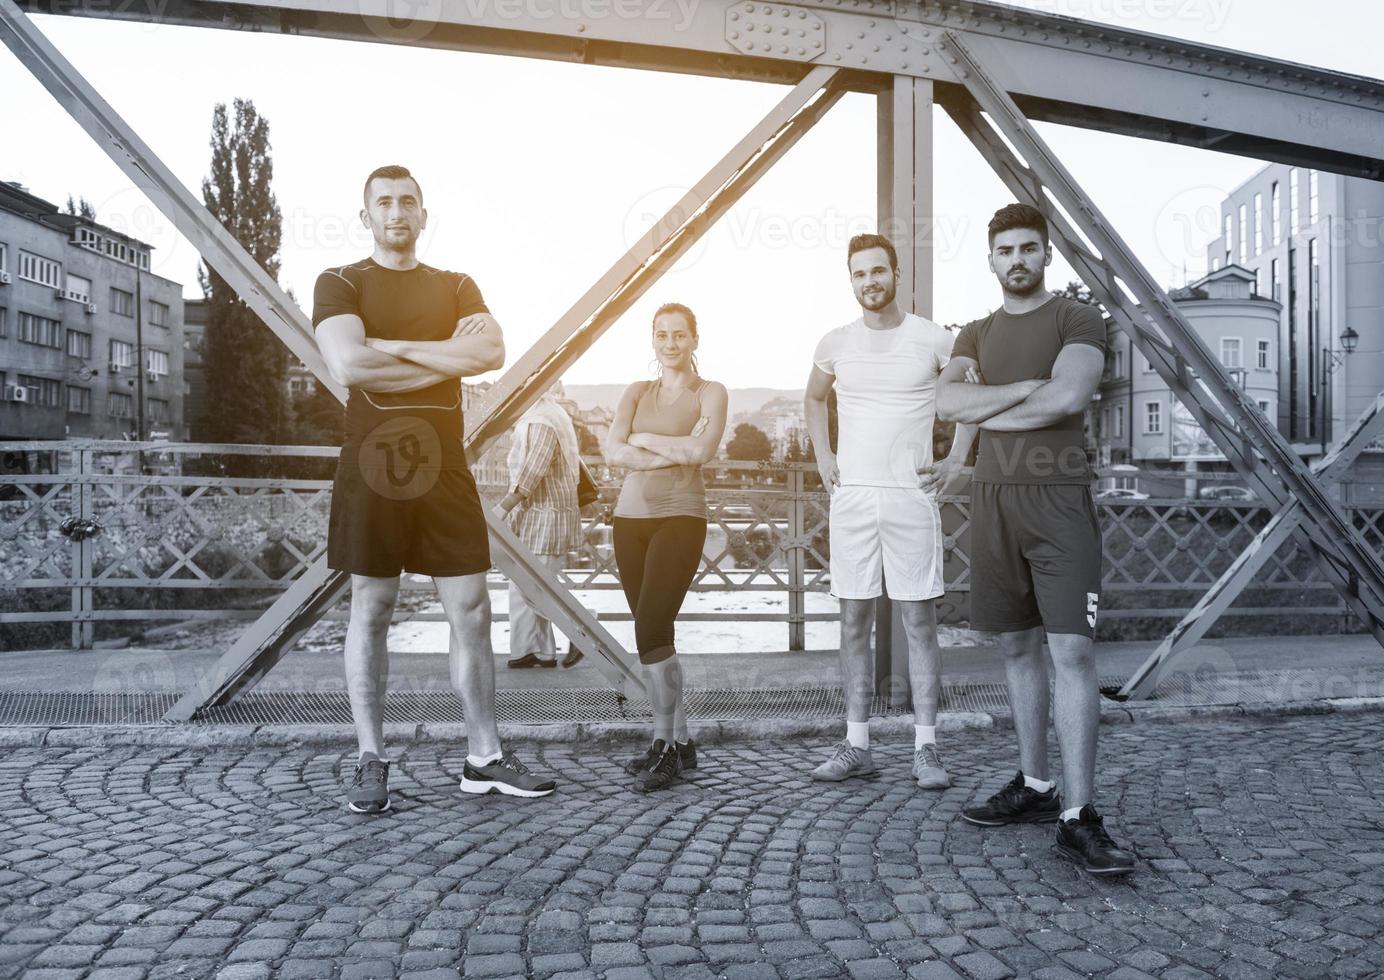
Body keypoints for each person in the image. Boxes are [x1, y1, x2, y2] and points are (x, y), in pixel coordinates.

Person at [313, 164, 556, 813]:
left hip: (445, 464)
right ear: (366, 216)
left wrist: (389, 344)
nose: (397, 212)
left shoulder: (456, 284)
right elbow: (347, 363)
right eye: (384, 203)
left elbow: (489, 353)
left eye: (409, 202)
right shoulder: (339, 281)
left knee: (472, 608)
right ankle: (371, 757)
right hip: (373, 462)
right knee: (373, 610)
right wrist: (438, 350)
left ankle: (483, 757)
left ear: (424, 214)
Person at [933, 202, 1134, 876]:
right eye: (1004, 250)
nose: (1016, 259)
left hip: (1058, 500)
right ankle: (1036, 786)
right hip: (991, 502)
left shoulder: (1077, 317)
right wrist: (1026, 388)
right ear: (989, 259)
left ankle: (1080, 816)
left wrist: (995, 399)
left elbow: (1068, 399)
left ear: (1046, 255)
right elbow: (947, 404)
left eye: (1028, 248)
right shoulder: (974, 333)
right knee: (1016, 647)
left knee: (1072, 649)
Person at [804, 234, 959, 789]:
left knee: (919, 621)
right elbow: (813, 398)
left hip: (911, 496)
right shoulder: (835, 342)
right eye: (858, 274)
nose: (868, 281)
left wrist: (957, 457)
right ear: (851, 281)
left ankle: (926, 749)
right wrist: (823, 454)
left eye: (877, 271)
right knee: (852, 622)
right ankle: (857, 744)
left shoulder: (933, 339)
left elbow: (973, 393)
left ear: (897, 274)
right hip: (853, 497)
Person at [603, 303, 727, 793]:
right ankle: (681, 741)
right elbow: (612, 452)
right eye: (662, 335)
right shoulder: (636, 391)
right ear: (652, 341)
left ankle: (666, 748)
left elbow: (702, 452)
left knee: (651, 625)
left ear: (695, 339)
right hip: (628, 520)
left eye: (679, 334)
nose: (670, 343)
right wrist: (670, 449)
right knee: (655, 636)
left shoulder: (711, 392)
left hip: (681, 518)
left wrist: (644, 439)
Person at [498, 383, 585, 670]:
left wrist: (505, 506)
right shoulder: (549, 413)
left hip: (544, 515)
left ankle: (583, 627)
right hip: (545, 514)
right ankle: (535, 650)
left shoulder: (541, 419)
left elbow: (533, 469)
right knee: (530, 583)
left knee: (531, 586)